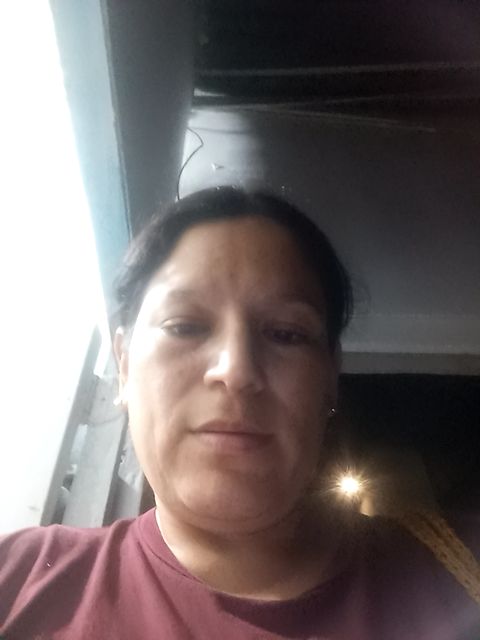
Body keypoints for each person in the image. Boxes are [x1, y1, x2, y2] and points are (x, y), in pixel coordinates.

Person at [0, 187, 479, 639]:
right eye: (185, 326)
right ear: (124, 365)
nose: (235, 370)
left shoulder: (461, 571)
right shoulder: (18, 582)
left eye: (287, 334)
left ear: (330, 376)